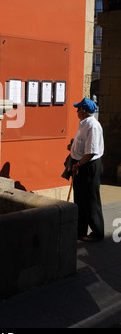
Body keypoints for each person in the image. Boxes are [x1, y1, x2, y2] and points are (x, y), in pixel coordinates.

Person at [68, 97, 104, 242]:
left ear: (83, 111)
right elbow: (83, 145)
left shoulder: (92, 126)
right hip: (81, 164)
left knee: (90, 200)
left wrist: (79, 164)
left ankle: (98, 232)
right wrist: (73, 147)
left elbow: (91, 152)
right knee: (80, 199)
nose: (76, 111)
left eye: (78, 109)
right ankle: (80, 230)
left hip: (88, 166)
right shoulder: (84, 124)